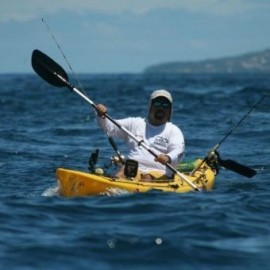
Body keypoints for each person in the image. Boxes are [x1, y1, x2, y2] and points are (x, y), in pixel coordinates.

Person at [95, 89, 185, 180]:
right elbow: (110, 127)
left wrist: (168, 157)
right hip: (133, 167)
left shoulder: (174, 130)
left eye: (165, 105)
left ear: (169, 110)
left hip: (158, 171)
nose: (161, 107)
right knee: (123, 172)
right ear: (150, 106)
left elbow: (179, 151)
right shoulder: (135, 123)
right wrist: (101, 116)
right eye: (157, 103)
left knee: (147, 177)